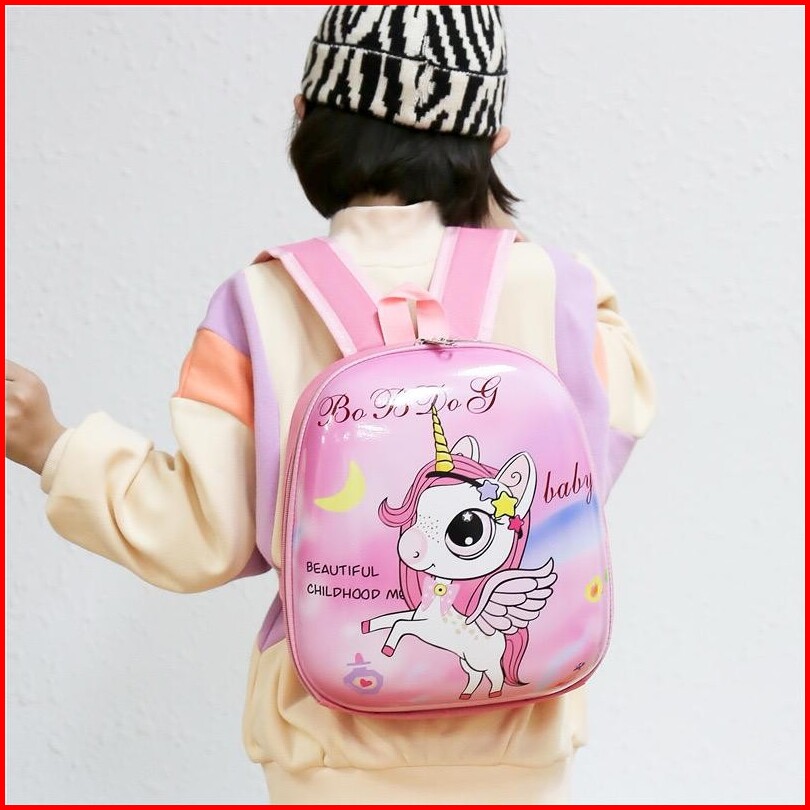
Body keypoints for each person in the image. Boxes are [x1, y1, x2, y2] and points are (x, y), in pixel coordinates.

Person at [5, 6, 655, 805]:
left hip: (328, 745)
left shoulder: (260, 301)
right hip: (523, 732)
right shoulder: (557, 288)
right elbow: (607, 432)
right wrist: (492, 213)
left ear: (304, 115)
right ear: (492, 143)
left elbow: (202, 536)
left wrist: (53, 447)